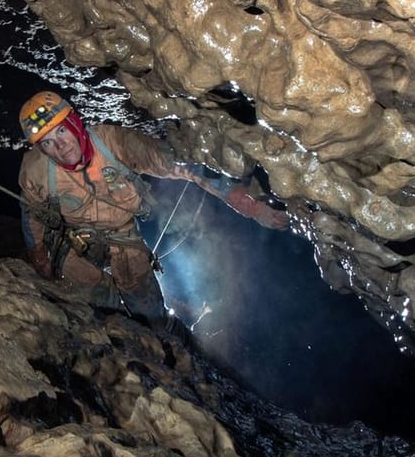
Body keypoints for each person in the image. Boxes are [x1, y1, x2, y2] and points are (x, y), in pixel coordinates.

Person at [17, 89, 288, 317]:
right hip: (73, 239)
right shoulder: (36, 171)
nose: (60, 146)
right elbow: (32, 213)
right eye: (47, 143)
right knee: (94, 302)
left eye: (62, 131)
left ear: (75, 123)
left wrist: (246, 203)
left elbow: (178, 163)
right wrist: (38, 253)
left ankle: (159, 329)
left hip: (121, 236)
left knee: (146, 308)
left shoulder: (114, 143)